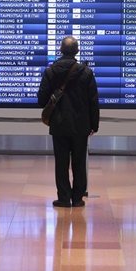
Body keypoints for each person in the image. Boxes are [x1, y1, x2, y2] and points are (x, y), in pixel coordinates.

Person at [37, 36, 99, 208]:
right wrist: (94, 125)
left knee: (61, 162)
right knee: (79, 162)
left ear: (60, 51)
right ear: (77, 51)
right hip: (81, 125)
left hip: (59, 124)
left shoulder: (50, 72)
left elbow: (42, 100)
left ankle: (63, 198)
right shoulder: (86, 73)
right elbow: (93, 101)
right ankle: (78, 198)